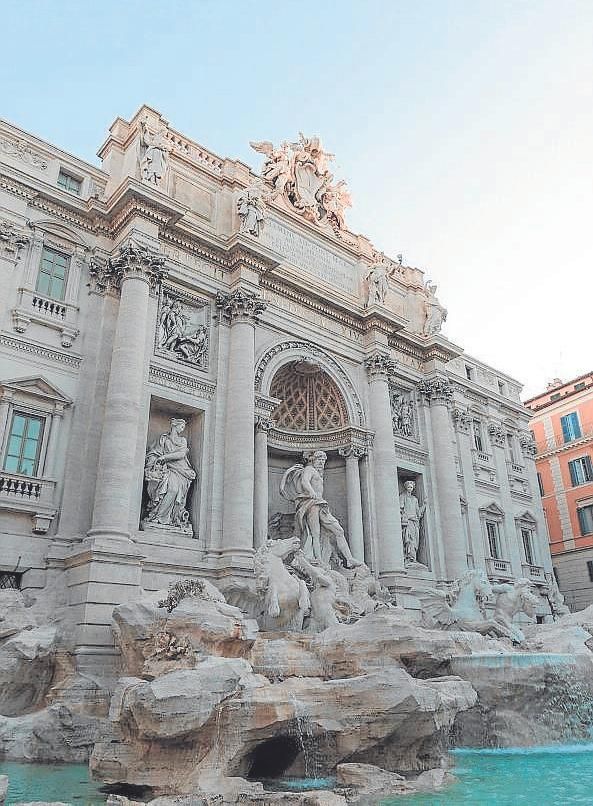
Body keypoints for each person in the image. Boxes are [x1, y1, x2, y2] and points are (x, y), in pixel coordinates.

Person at [281, 450, 362, 568]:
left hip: (321, 505)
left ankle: (349, 559)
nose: (321, 462)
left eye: (323, 460)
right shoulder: (309, 469)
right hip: (312, 503)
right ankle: (319, 561)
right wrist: (311, 492)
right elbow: (304, 481)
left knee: (339, 530)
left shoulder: (318, 473)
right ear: (313, 460)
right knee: (315, 534)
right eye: (319, 460)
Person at [144, 418, 196, 531]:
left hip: (180, 469)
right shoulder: (163, 439)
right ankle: (158, 517)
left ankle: (167, 518)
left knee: (174, 490)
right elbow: (155, 452)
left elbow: (181, 454)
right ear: (175, 426)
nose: (182, 429)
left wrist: (164, 457)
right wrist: (154, 461)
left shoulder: (182, 440)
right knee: (170, 489)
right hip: (166, 468)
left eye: (184, 428)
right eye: (181, 427)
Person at [399, 480, 426, 564]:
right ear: (406, 488)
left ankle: (413, 558)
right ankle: (409, 557)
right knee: (408, 539)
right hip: (408, 522)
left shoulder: (415, 499)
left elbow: (418, 513)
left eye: (411, 487)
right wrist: (406, 517)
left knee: (415, 540)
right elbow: (400, 509)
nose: (410, 488)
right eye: (408, 487)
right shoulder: (402, 496)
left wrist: (424, 505)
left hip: (415, 522)